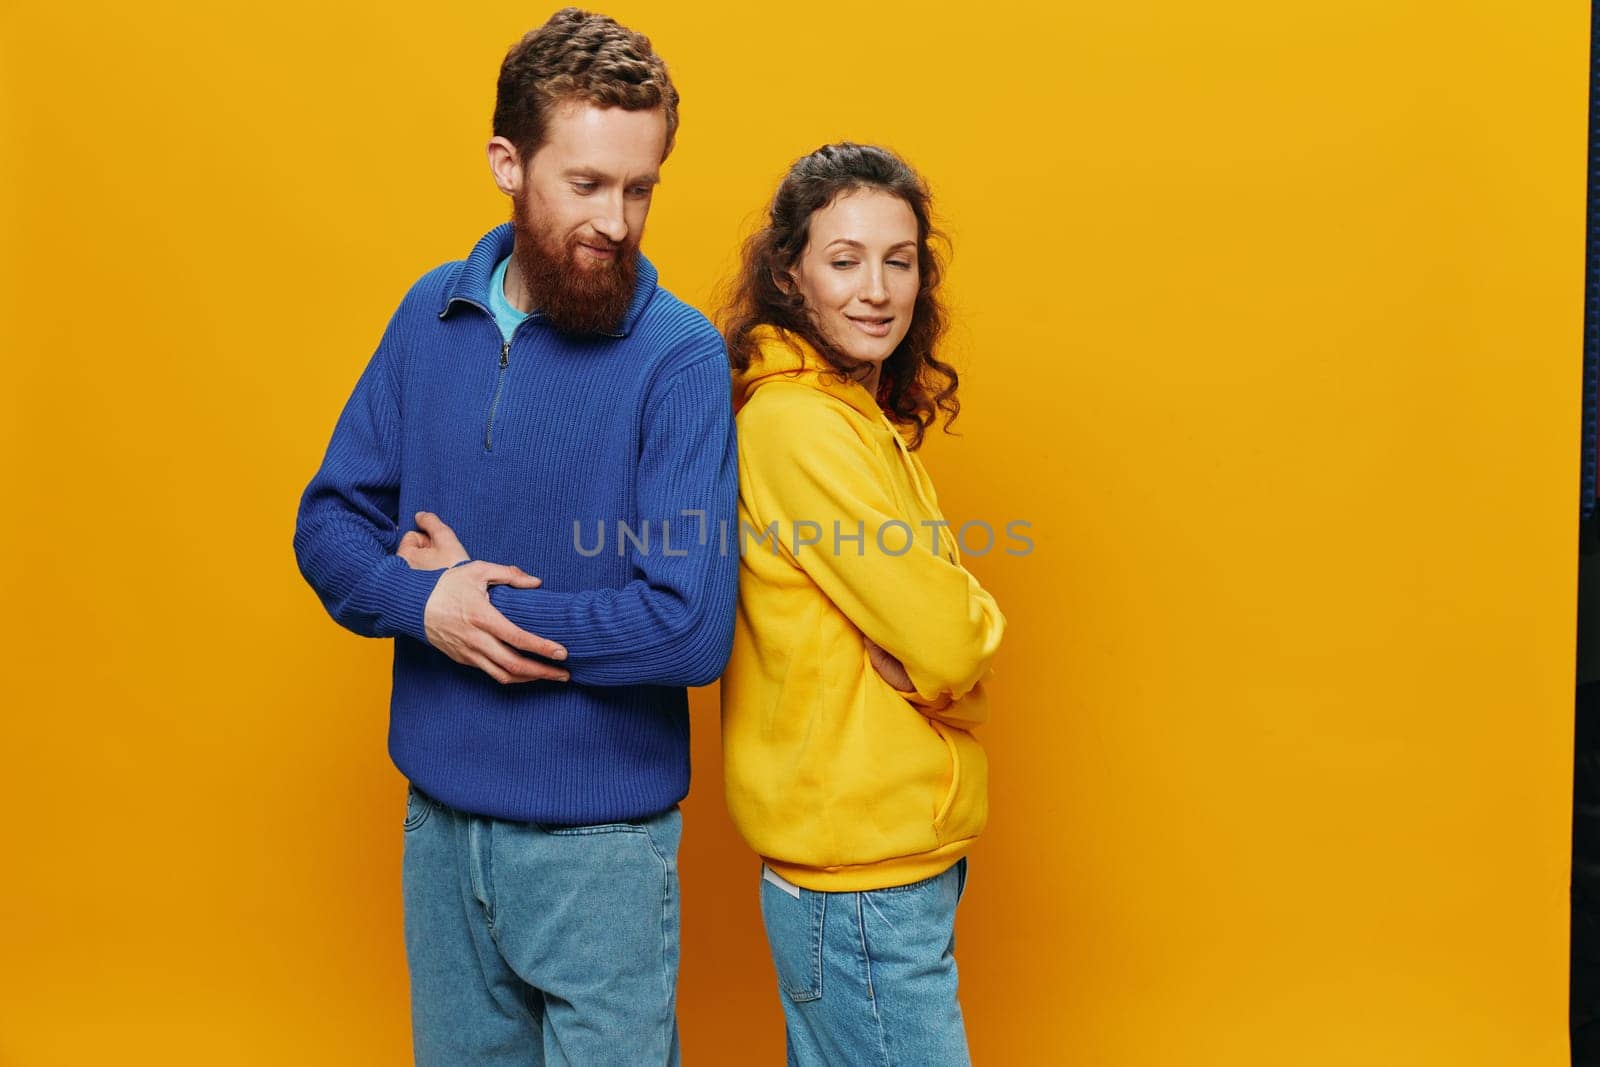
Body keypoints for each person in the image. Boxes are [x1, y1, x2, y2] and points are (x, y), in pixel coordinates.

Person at [292, 9, 737, 1064]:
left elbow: (688, 626)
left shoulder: (677, 358)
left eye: (640, 189)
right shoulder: (427, 314)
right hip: (438, 828)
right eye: (586, 185)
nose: (618, 222)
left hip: (600, 851)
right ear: (507, 162)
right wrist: (426, 603)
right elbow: (329, 521)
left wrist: (482, 609)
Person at [719, 142, 1006, 1065]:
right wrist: (965, 631)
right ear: (789, 273)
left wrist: (945, 627)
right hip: (859, 881)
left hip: (878, 866)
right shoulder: (801, 423)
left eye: (900, 258)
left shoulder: (852, 415)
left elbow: (937, 625)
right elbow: (952, 640)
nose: (876, 288)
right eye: (844, 259)